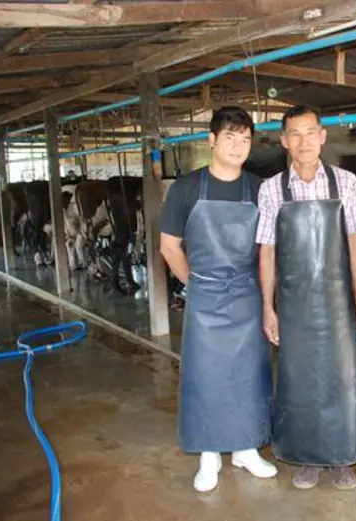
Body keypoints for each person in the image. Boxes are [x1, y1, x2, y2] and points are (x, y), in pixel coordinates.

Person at [159, 106, 276, 492]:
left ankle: (245, 448)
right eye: (230, 137)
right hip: (206, 293)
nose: (239, 146)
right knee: (206, 375)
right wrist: (196, 281)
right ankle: (209, 455)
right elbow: (170, 247)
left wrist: (268, 299)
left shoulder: (259, 188)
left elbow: (268, 249)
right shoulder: (187, 187)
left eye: (245, 139)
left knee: (248, 375)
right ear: (211, 140)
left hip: (246, 292)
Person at [257, 105, 356, 491]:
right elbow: (267, 250)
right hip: (294, 301)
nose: (303, 142)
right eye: (295, 134)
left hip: (337, 299)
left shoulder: (346, 183)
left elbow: (354, 242)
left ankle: (342, 457)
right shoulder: (272, 188)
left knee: (343, 378)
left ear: (322, 136)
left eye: (310, 132)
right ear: (284, 141)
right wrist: (268, 306)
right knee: (298, 379)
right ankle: (307, 458)